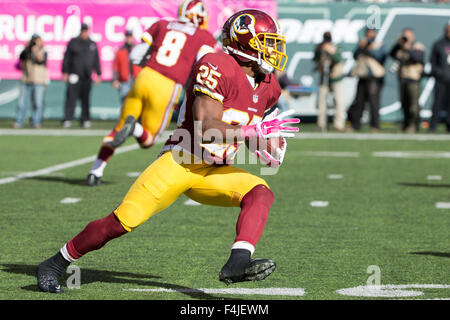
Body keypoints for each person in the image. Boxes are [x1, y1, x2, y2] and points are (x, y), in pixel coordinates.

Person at [36, 8, 300, 293]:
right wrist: (251, 133)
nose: (273, 50)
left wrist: (262, 143)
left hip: (215, 169)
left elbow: (244, 126)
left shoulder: (269, 86)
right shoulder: (216, 65)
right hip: (181, 161)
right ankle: (55, 262)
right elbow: (206, 126)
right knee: (123, 221)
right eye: (267, 42)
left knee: (260, 192)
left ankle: (237, 262)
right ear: (243, 43)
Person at [85, 0, 216, 186]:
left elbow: (137, 54)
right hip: (167, 85)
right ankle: (135, 128)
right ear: (198, 16)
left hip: (144, 77)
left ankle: (95, 170)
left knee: (118, 128)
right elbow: (204, 63)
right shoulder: (203, 36)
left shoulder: (162, 24)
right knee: (148, 140)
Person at [61, 23, 102, 129]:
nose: (84, 33)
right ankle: (68, 118)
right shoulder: (73, 42)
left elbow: (96, 60)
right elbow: (67, 58)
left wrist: (98, 73)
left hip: (87, 76)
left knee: (85, 99)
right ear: (80, 31)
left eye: (86, 31)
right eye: (83, 31)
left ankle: (85, 119)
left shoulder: (92, 44)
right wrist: (65, 72)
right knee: (71, 98)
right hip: (74, 75)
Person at [349, 27, 386, 132]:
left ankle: (375, 125)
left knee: (373, 102)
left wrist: (369, 48)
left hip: (373, 77)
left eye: (371, 32)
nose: (370, 34)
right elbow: (355, 55)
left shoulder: (378, 44)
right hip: (362, 76)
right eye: (368, 32)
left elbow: (380, 57)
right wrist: (362, 47)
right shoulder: (362, 43)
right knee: (359, 101)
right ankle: (356, 124)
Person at [390, 28, 426, 133]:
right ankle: (406, 125)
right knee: (404, 104)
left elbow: (419, 58)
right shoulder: (400, 47)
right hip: (402, 78)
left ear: (412, 36)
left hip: (414, 78)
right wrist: (398, 44)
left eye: (408, 35)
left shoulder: (417, 46)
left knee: (414, 105)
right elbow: (391, 54)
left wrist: (408, 48)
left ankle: (414, 124)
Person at [12, 34, 48, 129]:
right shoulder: (27, 51)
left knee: (38, 103)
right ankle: (19, 121)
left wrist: (35, 50)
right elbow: (21, 60)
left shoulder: (43, 51)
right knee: (22, 102)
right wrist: (26, 48)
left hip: (38, 80)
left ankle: (36, 121)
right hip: (26, 79)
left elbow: (41, 60)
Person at [313, 31, 346, 132]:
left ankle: (339, 125)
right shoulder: (320, 47)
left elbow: (339, 60)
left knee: (338, 101)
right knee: (322, 101)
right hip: (324, 78)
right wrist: (319, 50)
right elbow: (315, 59)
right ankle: (321, 124)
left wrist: (332, 52)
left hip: (336, 77)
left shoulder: (336, 48)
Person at [429, 24, 450, 133]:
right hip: (441, 79)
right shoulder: (439, 44)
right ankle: (433, 126)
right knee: (437, 103)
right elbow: (433, 62)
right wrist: (439, 73)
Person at [112, 30, 136, 103]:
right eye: (127, 37)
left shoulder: (137, 49)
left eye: (130, 37)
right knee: (124, 101)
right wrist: (115, 79)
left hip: (136, 80)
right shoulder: (120, 51)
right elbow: (115, 67)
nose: (129, 39)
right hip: (124, 80)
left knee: (135, 102)